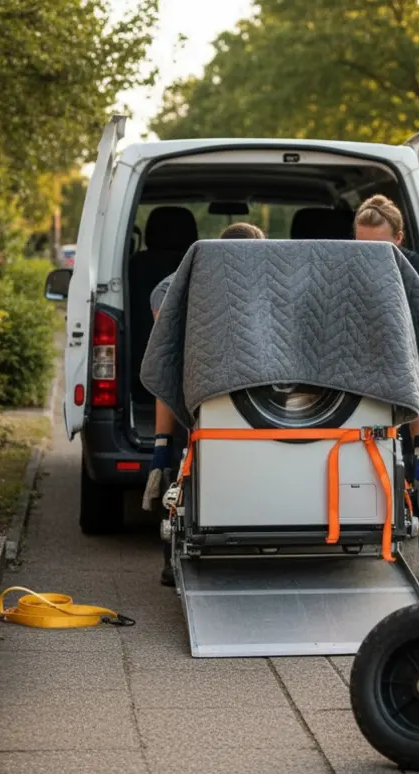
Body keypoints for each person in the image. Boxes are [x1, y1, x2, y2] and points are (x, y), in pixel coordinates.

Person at [146, 221, 266, 586]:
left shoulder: (264, 281)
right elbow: (170, 357)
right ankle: (173, 555)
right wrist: (160, 446)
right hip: (200, 387)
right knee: (188, 468)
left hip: (252, 381)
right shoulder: (172, 288)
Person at [352, 195, 419, 591]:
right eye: (363, 245)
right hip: (374, 361)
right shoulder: (347, 262)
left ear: (398, 238)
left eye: (380, 246)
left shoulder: (418, 268)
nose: (371, 254)